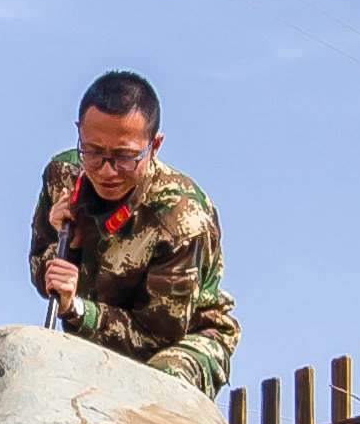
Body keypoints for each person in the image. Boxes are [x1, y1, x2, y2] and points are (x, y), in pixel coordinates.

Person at [30, 70, 239, 396]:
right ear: (79, 133)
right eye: (93, 151)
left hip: (181, 340)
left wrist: (77, 310)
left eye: (125, 156)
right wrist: (63, 243)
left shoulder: (181, 219)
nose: (106, 170)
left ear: (154, 146)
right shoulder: (64, 176)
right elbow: (43, 276)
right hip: (96, 332)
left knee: (157, 387)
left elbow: (157, 336)